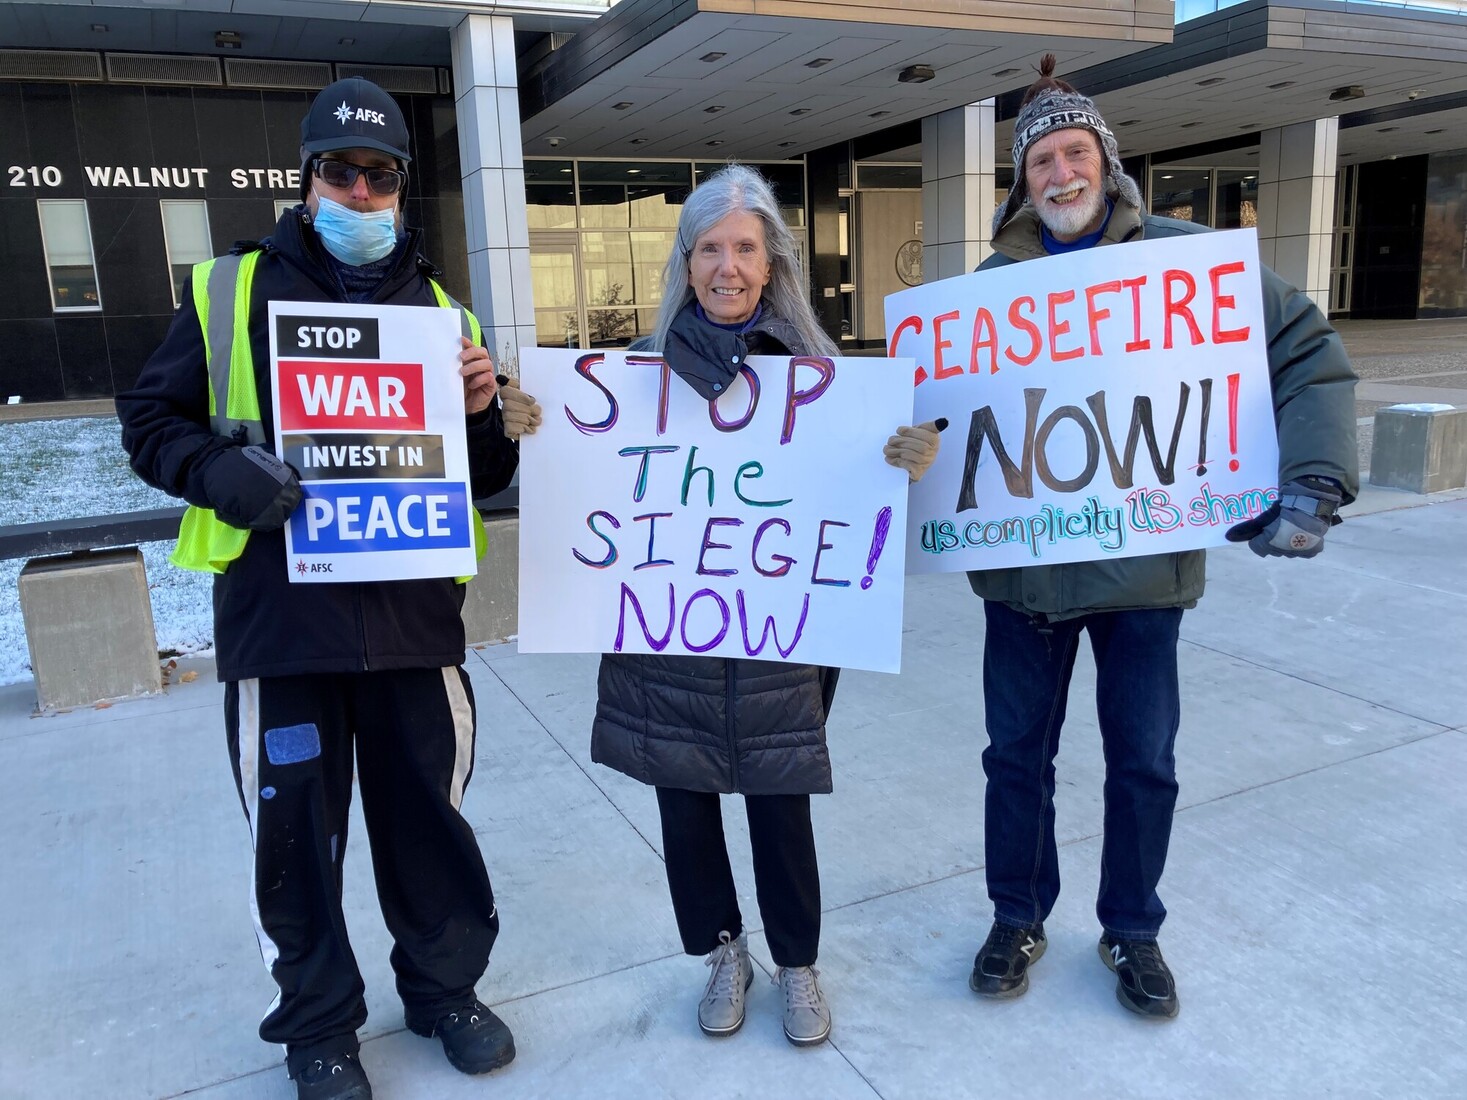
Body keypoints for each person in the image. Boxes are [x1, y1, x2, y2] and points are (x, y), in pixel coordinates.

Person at [117, 77, 519, 1100]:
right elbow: (149, 422)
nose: (358, 188)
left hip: (413, 628)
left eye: (378, 174)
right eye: (338, 170)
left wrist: (482, 414)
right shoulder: (226, 291)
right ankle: (317, 1025)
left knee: (430, 819)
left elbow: (485, 475)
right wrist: (216, 470)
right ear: (307, 180)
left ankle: (444, 990)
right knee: (293, 834)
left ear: (400, 189)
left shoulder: (445, 310)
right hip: (282, 626)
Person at [499, 164, 941, 1047]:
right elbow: (581, 475)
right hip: (668, 635)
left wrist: (905, 463)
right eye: (710, 249)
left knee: (781, 805)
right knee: (683, 803)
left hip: (779, 641)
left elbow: (867, 511)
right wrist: (524, 428)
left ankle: (798, 964)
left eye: (744, 247)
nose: (727, 266)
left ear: (771, 261)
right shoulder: (626, 382)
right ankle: (721, 953)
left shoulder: (823, 383)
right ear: (686, 261)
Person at [965, 56, 1358, 1020]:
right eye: (1038, 163)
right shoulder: (987, 290)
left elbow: (1304, 348)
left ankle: (1132, 928)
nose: (1059, 175)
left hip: (1144, 574)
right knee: (1015, 761)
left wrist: (1311, 479)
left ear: (1105, 159)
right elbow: (943, 417)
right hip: (1024, 585)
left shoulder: (1188, 267)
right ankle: (1017, 915)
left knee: (1144, 764)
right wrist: (911, 446)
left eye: (1072, 153)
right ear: (1021, 183)